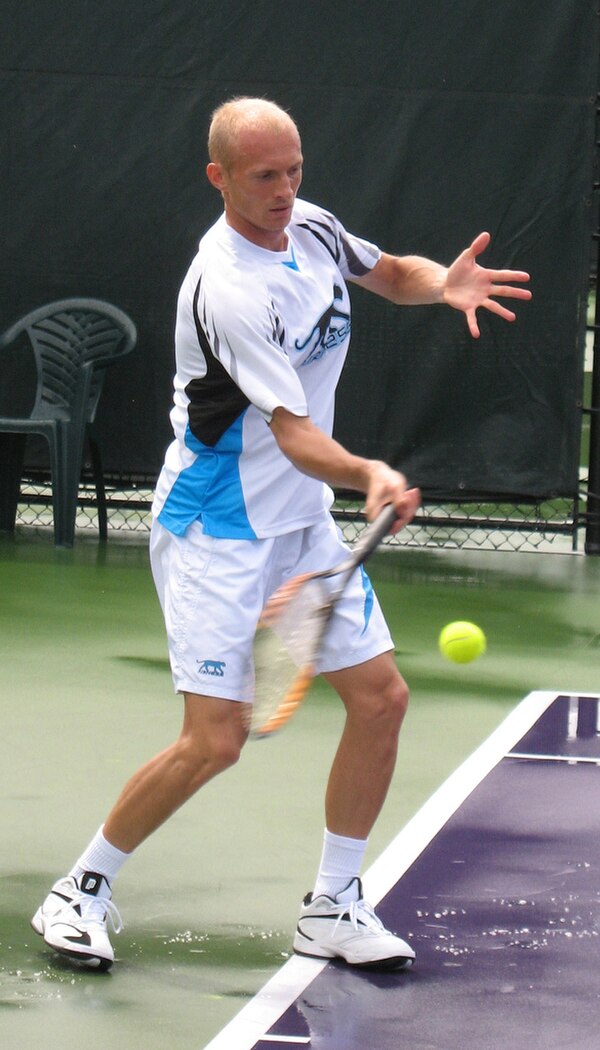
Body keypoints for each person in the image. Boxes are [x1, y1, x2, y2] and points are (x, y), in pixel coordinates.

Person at [31, 97, 531, 972]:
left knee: (381, 700)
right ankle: (79, 890)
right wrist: (371, 474)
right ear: (219, 176)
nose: (284, 190)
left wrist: (440, 283)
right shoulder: (225, 285)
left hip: (297, 524)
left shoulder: (312, 226)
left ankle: (335, 906)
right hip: (217, 529)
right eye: (265, 176)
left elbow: (390, 271)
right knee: (214, 741)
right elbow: (296, 436)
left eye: (294, 170)